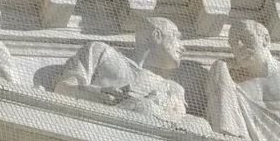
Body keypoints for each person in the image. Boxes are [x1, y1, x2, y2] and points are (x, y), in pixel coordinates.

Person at [53, 16, 204, 129]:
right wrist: (96, 94)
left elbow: (178, 121)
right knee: (144, 107)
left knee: (200, 124)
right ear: (156, 36)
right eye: (177, 37)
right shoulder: (102, 52)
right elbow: (62, 89)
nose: (182, 47)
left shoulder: (172, 88)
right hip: (102, 128)